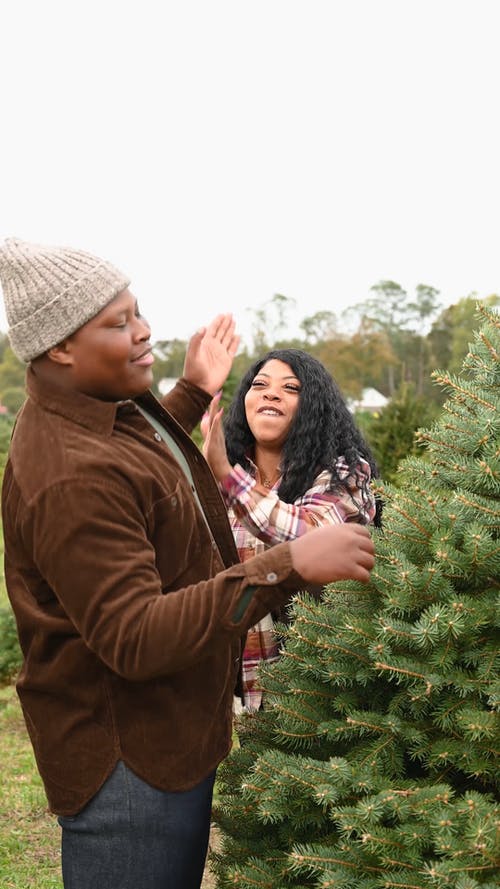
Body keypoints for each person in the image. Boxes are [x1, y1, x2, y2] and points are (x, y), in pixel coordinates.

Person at [0, 237, 375, 889]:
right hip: (131, 769)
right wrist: (289, 562)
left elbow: (140, 462)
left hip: (166, 741)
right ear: (60, 345)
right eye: (119, 323)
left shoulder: (98, 412)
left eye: (138, 311)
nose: (144, 331)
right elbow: (137, 636)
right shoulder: (71, 474)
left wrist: (196, 389)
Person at [202, 348, 381, 710]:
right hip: (236, 694)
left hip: (319, 693)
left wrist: (226, 475)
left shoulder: (346, 474)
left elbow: (311, 537)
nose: (271, 393)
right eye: (260, 384)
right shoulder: (218, 479)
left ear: (314, 406)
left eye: (291, 387)